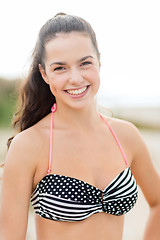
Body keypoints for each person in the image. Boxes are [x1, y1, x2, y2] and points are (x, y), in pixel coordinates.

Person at [0, 13, 160, 240]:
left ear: (99, 61)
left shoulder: (125, 135)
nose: (75, 78)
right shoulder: (28, 146)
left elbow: (157, 202)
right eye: (60, 68)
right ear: (44, 74)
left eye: (85, 63)